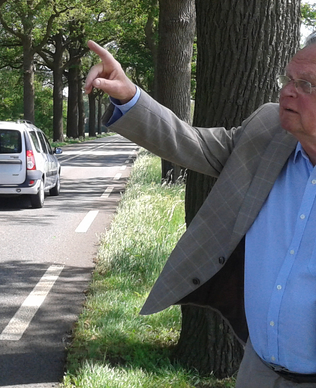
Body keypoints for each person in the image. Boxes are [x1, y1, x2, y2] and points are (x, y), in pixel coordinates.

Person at [85, 39, 316, 387]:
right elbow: (192, 143)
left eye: (307, 84)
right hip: (258, 371)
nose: (288, 93)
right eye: (287, 80)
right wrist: (128, 94)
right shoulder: (268, 131)